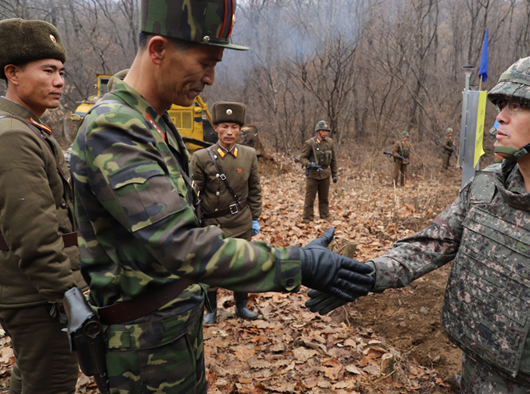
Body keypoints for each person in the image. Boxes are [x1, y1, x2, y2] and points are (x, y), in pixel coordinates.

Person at [307, 55, 530, 393]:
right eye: (501, 106)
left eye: (517, 106)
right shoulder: (487, 185)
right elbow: (430, 244)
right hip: (474, 375)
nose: (500, 118)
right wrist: (367, 274)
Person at [70, 0, 374, 392]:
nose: (211, 79)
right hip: (142, 348)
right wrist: (299, 264)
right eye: (205, 63)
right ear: (158, 50)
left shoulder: (153, 120)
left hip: (171, 329)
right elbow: (183, 244)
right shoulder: (115, 128)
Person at [0, 18, 88, 394]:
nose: (59, 81)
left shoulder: (30, 129)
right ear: (13, 74)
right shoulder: (13, 136)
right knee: (51, 382)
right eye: (48, 70)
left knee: (31, 376)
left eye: (62, 72)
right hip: (38, 296)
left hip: (37, 292)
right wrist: (68, 297)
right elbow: (34, 234)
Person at [191, 102, 261, 322]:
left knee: (243, 266)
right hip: (213, 223)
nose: (229, 132)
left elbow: (255, 189)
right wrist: (194, 222)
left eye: (234, 127)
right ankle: (211, 310)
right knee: (211, 268)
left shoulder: (249, 155)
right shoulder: (201, 157)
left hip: (241, 220)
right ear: (216, 128)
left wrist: (255, 218)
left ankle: (241, 307)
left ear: (240, 130)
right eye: (224, 126)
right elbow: (194, 193)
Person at [299, 120, 338, 223]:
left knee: (324, 199)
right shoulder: (310, 143)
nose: (325, 133)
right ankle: (307, 218)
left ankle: (325, 217)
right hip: (313, 175)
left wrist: (334, 174)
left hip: (325, 174)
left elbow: (333, 160)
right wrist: (309, 164)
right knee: (310, 199)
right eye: (323, 131)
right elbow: (302, 158)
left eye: (326, 131)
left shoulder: (329, 142)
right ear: (318, 131)